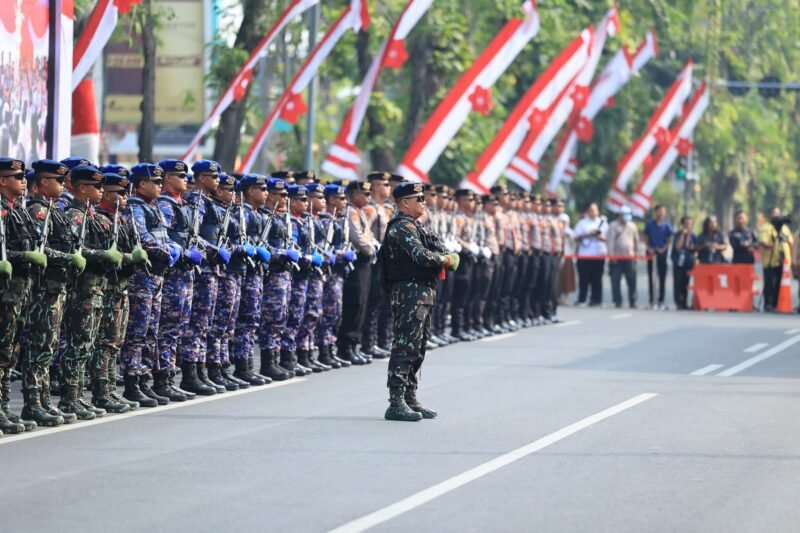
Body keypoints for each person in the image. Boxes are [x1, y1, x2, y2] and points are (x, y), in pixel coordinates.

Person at [379, 182, 459, 422]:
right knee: (405, 347)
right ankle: (396, 402)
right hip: (408, 294)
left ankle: (410, 397)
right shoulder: (401, 228)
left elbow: (439, 247)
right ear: (404, 203)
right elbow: (421, 256)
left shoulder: (417, 227)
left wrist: (444, 256)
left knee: (418, 348)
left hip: (422, 293)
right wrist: (445, 259)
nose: (423, 203)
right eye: (418, 199)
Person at [759, 207, 793, 312]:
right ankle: (768, 304)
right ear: (770, 215)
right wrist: (772, 244)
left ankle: (777, 304)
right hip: (770, 260)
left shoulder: (784, 228)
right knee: (770, 283)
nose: (777, 216)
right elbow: (763, 242)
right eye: (774, 213)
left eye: (778, 213)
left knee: (780, 283)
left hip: (783, 260)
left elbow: (790, 242)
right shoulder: (766, 227)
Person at [573, 202, 607, 307]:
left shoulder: (603, 223)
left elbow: (608, 238)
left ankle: (597, 299)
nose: (594, 212)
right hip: (585, 255)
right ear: (587, 211)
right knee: (584, 279)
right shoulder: (582, 223)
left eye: (595, 210)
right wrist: (588, 234)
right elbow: (576, 238)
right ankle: (582, 299)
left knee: (597, 278)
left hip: (599, 254)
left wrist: (598, 236)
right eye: (591, 210)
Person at [606, 206, 640, 309]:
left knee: (632, 280)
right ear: (620, 215)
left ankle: (633, 301)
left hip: (629, 257)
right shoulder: (613, 226)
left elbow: (636, 241)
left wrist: (637, 254)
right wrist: (611, 256)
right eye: (625, 214)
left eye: (628, 214)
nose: (627, 216)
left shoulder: (632, 226)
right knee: (615, 280)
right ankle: (617, 301)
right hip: (617, 257)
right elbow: (610, 242)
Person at [644, 205, 672, 309]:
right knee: (652, 278)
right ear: (655, 212)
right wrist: (648, 248)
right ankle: (652, 299)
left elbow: (669, 240)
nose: (661, 214)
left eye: (663, 212)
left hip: (662, 254)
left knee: (662, 278)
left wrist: (664, 249)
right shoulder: (649, 224)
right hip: (651, 253)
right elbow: (646, 237)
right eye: (659, 211)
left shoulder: (667, 225)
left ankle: (661, 300)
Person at [671, 216, 696, 310]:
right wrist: (683, 235)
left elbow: (695, 248)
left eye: (689, 224)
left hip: (688, 261)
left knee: (686, 282)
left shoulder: (693, 236)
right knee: (678, 282)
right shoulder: (677, 235)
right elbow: (677, 247)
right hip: (678, 261)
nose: (688, 226)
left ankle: (685, 302)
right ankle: (678, 302)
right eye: (686, 224)